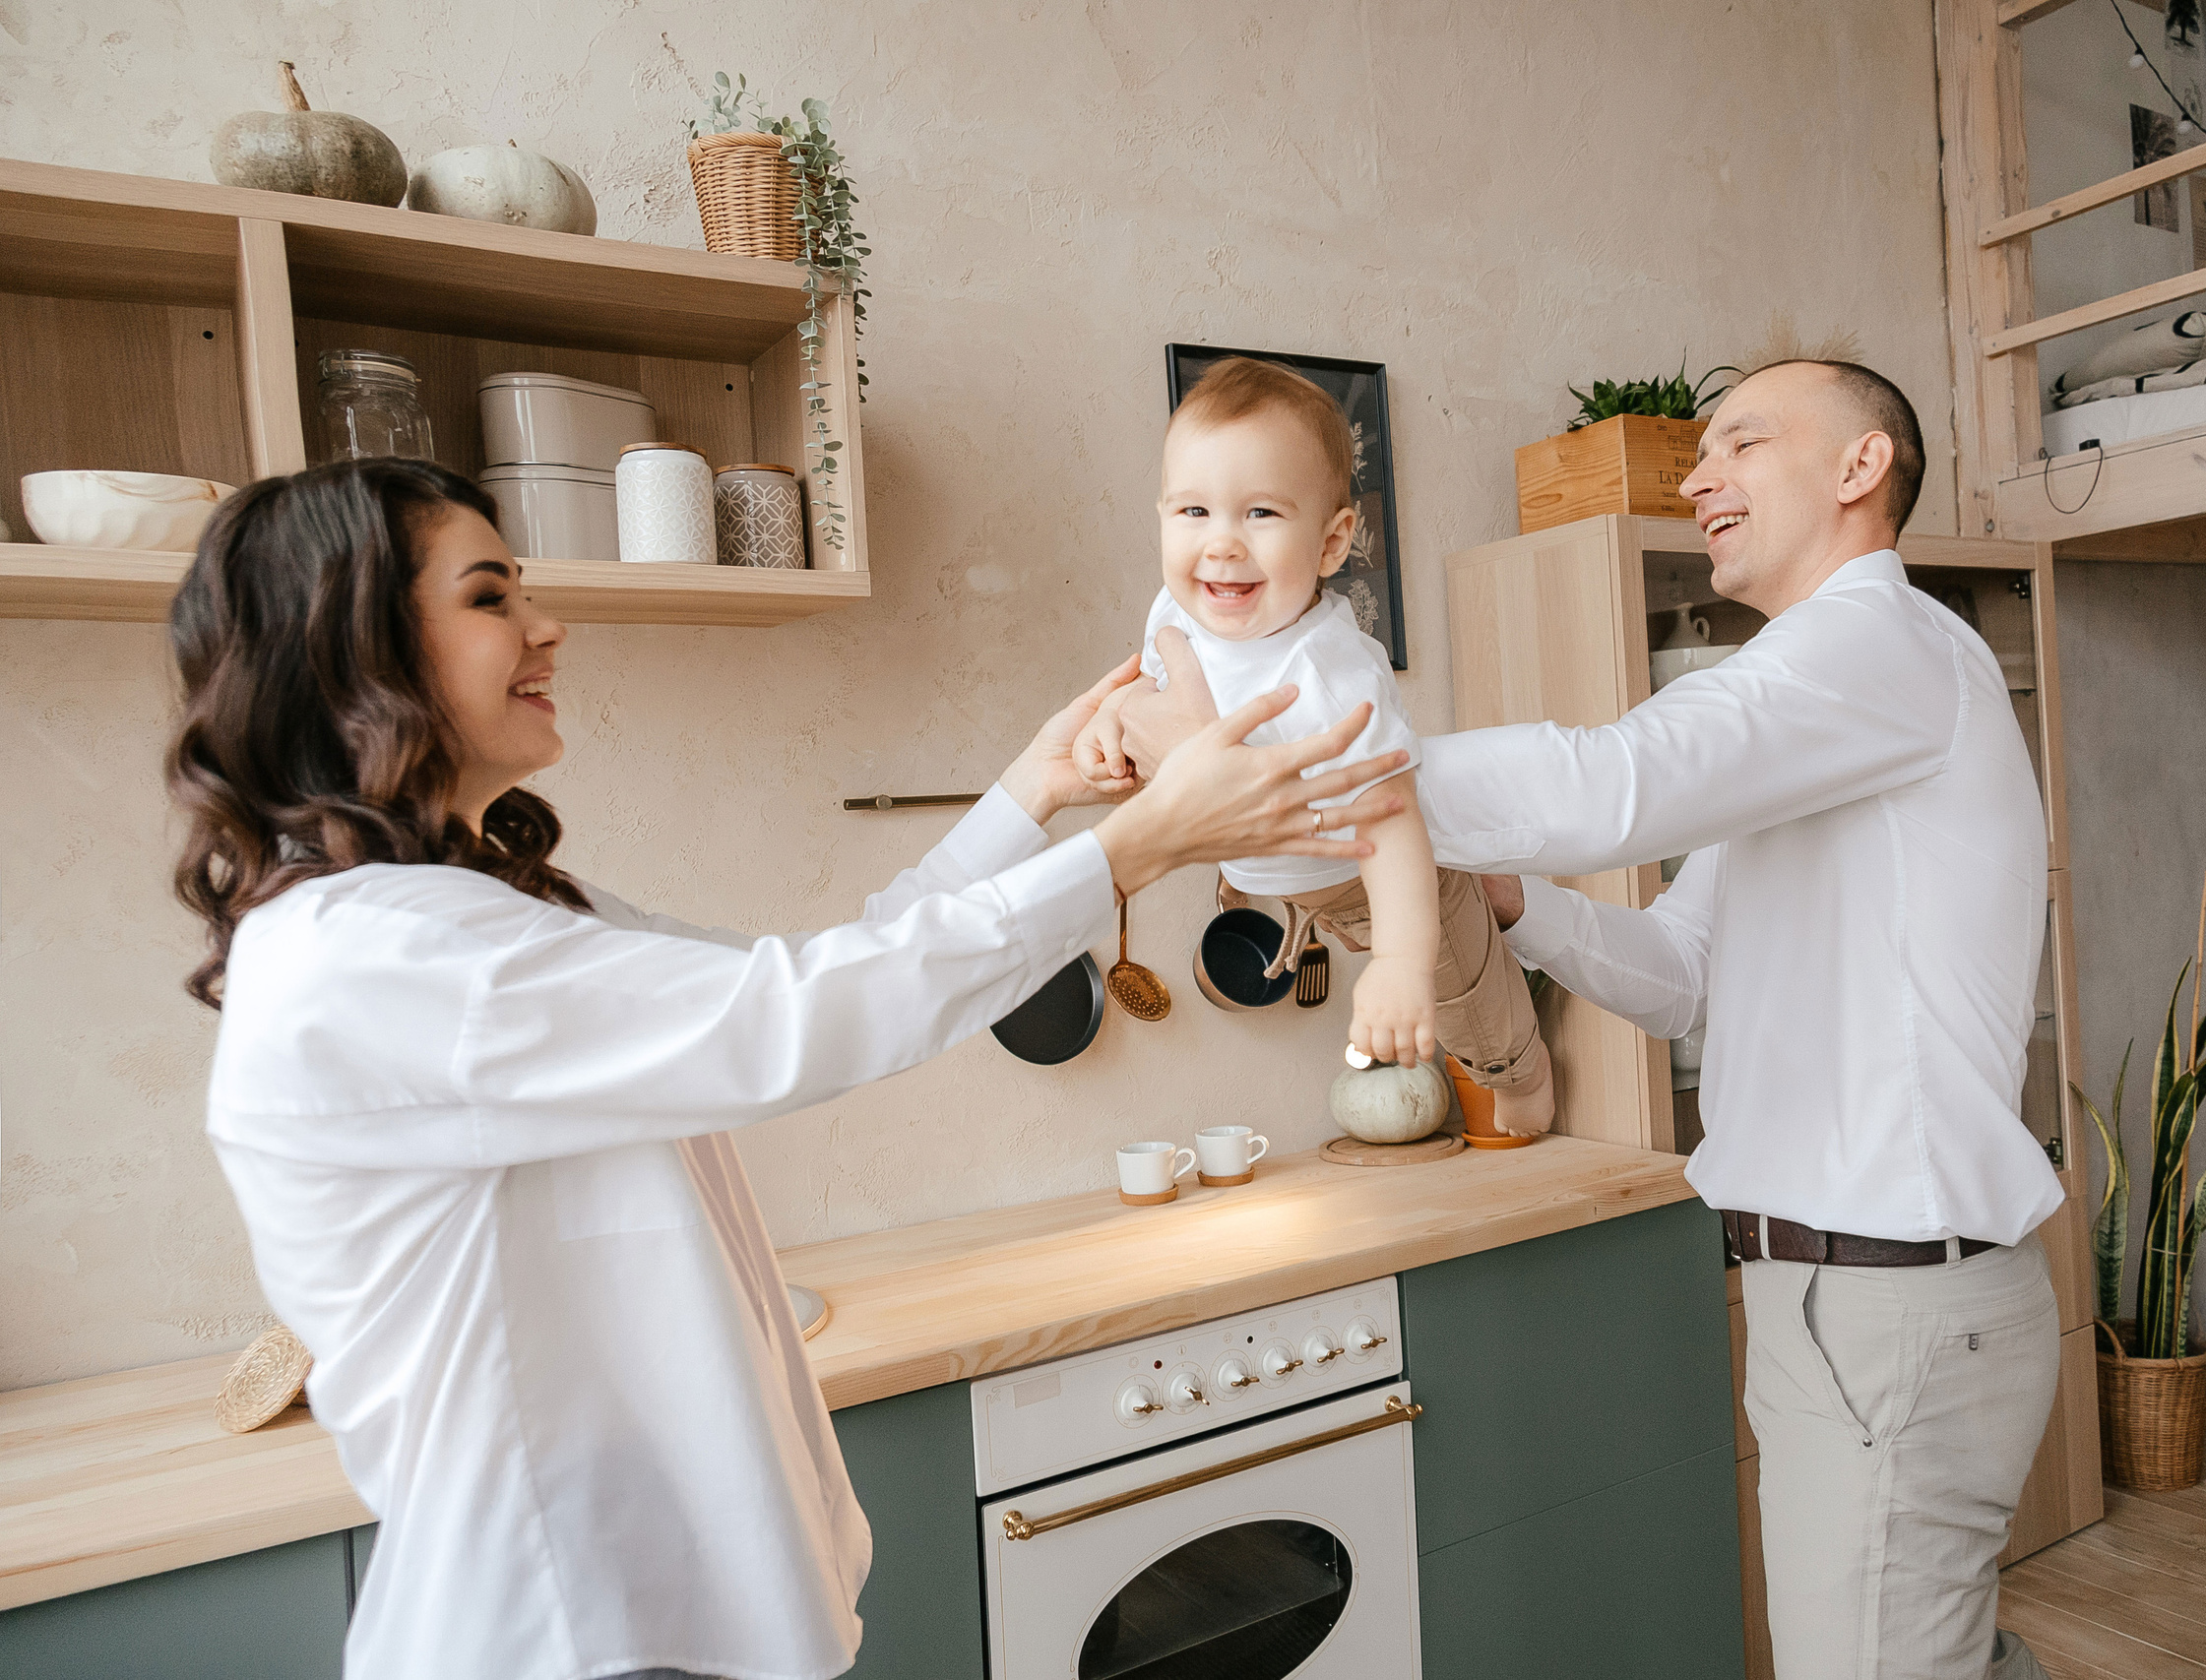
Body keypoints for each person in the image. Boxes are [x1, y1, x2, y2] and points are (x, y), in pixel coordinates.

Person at [164, 459, 1408, 1680]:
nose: (547, 626)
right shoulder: (378, 954)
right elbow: (797, 1017)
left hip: (634, 1615)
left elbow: (830, 964)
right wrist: (1138, 845)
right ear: (348, 651)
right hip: (568, 1632)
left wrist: (1042, 787)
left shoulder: (480, 913)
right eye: (490, 597)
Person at [1123, 359, 2061, 1680]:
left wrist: (1312, 779)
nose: (1699, 474)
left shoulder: (1880, 645)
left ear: (1860, 467)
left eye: (1741, 439)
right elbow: (1683, 973)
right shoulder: (1819, 714)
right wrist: (1514, 904)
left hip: (1893, 1296)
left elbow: (1621, 778)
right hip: (1834, 1297)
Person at [1074, 355, 1552, 1129]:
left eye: (1260, 513)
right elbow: (1150, 683)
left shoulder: (1331, 675)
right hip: (1270, 868)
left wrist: (1400, 964)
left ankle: (1523, 1074)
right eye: (1193, 512)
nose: (1221, 544)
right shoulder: (1177, 607)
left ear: (1331, 544)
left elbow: (1392, 821)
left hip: (1370, 876)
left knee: (1460, 994)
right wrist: (1110, 716)